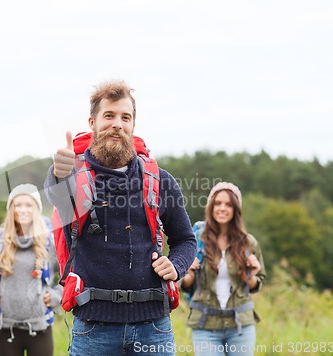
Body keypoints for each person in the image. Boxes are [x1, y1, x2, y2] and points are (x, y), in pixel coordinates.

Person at [44, 80, 197, 355]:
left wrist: (177, 265)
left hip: (154, 328)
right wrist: (59, 174)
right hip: (93, 329)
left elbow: (186, 239)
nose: (117, 124)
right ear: (92, 122)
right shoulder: (74, 180)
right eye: (109, 115)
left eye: (125, 117)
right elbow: (57, 197)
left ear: (133, 125)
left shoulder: (161, 181)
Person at [181, 182, 266, 356]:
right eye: (217, 203)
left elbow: (254, 285)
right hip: (205, 325)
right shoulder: (196, 239)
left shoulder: (249, 243)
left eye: (228, 204)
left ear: (236, 209)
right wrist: (189, 272)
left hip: (241, 326)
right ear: (210, 206)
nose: (222, 208)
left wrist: (251, 275)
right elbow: (185, 284)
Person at [0, 183, 62, 356]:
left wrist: (58, 294)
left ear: (37, 209)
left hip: (40, 327)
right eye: (17, 205)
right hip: (7, 328)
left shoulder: (51, 243)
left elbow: (70, 274)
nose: (23, 209)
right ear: (10, 209)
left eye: (29, 205)